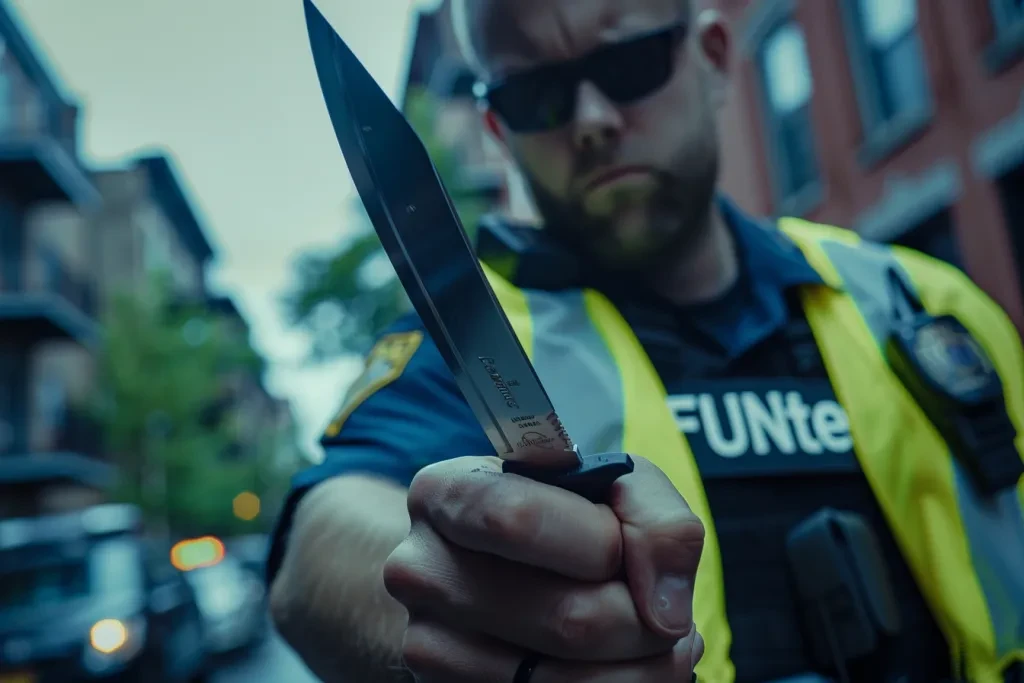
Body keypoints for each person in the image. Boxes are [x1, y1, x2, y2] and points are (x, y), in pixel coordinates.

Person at [269, 0, 1024, 681]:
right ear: (498, 128)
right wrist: (483, 611)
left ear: (716, 57)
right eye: (536, 93)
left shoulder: (922, 301)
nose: (591, 119)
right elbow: (321, 545)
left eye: (629, 64)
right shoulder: (476, 338)